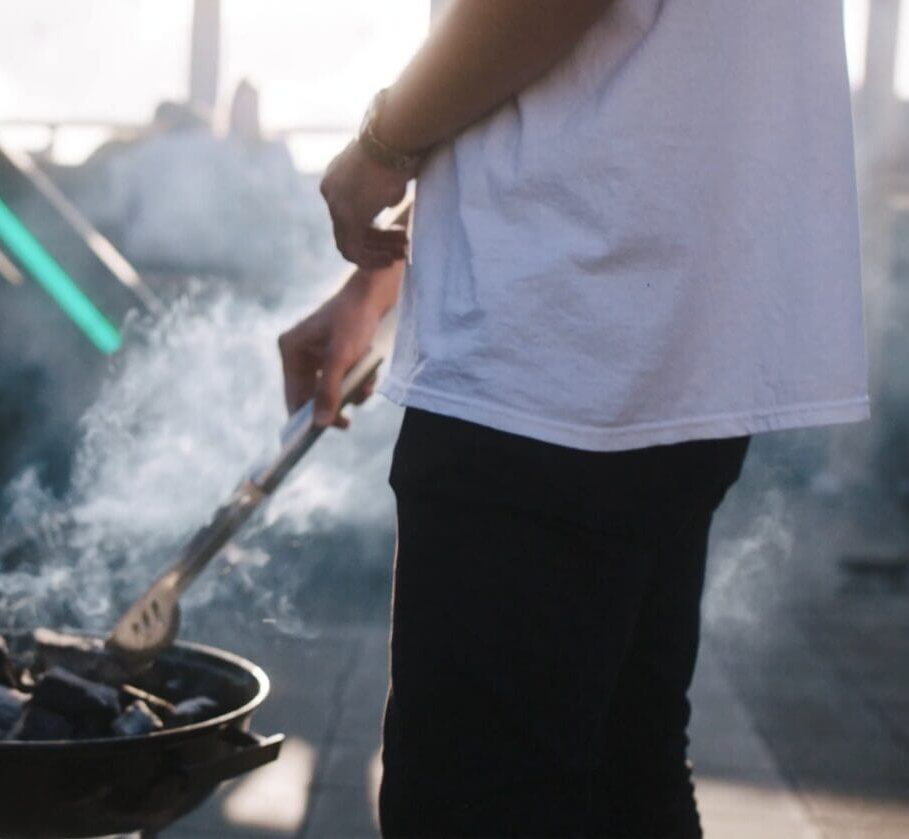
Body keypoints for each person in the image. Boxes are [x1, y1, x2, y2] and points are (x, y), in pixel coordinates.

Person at [278, 2, 869, 836]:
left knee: (477, 798)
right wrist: (390, 274)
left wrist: (382, 145)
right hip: (653, 325)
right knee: (622, 779)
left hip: (559, 351)